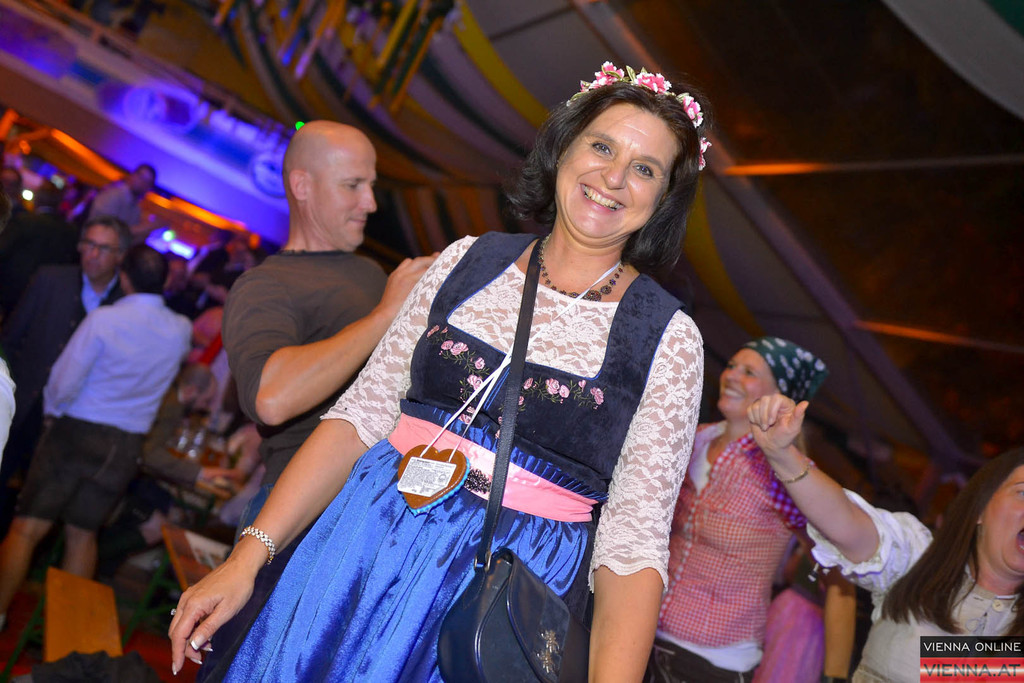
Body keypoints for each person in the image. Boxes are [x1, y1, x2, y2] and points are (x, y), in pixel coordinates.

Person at [169, 62, 711, 680]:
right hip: (360, 543)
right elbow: (361, 417)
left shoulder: (669, 339)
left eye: (645, 169)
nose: (613, 177)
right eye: (602, 147)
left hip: (498, 593)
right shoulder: (466, 260)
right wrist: (247, 558)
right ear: (564, 148)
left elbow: (633, 546)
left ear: (664, 198)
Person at [220, 120, 435, 516]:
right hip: (298, 513)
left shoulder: (369, 272)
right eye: (353, 185)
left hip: (372, 506)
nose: (370, 203)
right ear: (302, 186)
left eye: (371, 186)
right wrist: (386, 314)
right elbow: (271, 397)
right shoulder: (265, 284)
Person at [748, 396, 1024, 683]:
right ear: (981, 508)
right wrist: (784, 456)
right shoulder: (919, 558)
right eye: (1023, 492)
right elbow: (847, 524)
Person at [0, 245, 192, 630]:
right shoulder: (181, 329)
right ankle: (68, 639)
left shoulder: (104, 319)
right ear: (165, 281)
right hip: (126, 446)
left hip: (77, 431)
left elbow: (63, 379)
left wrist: (52, 414)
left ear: (124, 278)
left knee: (27, 528)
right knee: (83, 534)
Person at [651, 337, 830, 683]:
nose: (731, 375)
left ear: (779, 395)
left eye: (749, 372)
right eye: (732, 366)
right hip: (646, 628)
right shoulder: (696, 438)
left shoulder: (785, 470)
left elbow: (831, 544)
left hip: (715, 659)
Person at [0, 218, 131, 517]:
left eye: (103, 248)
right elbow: (12, 337)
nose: (92, 254)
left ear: (121, 255)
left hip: (73, 419)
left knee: (38, 506)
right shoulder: (51, 278)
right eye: (88, 244)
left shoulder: (124, 304)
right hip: (24, 402)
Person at [86, 164, 157, 243]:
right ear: (132, 175)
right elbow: (106, 230)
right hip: (93, 245)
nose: (143, 183)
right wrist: (145, 228)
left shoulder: (136, 208)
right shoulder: (113, 195)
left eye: (148, 182)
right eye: (141, 177)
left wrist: (146, 230)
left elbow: (128, 241)